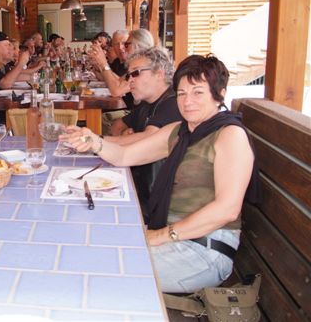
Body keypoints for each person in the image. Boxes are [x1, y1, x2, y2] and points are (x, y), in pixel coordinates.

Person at [61, 54, 259, 293]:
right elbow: (125, 156)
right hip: (173, 235)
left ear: (220, 94)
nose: (188, 101)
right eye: (182, 93)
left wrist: (160, 235)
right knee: (88, 241)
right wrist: (94, 141)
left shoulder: (229, 135)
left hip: (205, 250)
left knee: (103, 265)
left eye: (198, 92)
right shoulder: (180, 131)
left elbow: (227, 209)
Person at [106, 47, 182, 219]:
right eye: (128, 75)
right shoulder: (146, 103)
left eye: (136, 73)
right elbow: (117, 125)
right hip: (138, 188)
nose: (130, 80)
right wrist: (124, 135)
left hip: (156, 206)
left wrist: (95, 141)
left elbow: (148, 137)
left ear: (159, 74)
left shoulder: (172, 104)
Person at [0, 31, 42, 98]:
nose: (10, 48)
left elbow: (15, 77)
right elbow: (5, 84)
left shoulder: (3, 64)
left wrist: (37, 78)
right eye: (6, 45)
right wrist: (21, 63)